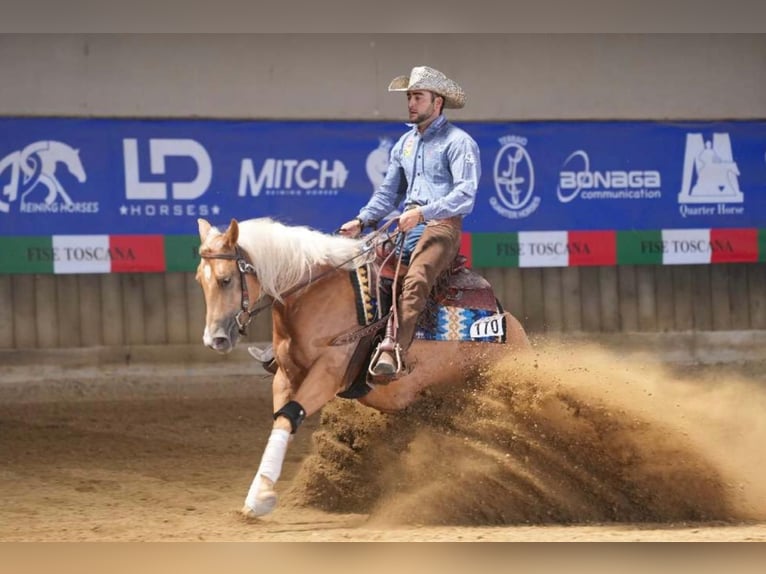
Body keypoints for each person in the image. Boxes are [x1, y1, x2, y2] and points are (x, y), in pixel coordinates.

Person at [339, 65, 481, 377]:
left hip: (442, 226)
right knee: (355, 268)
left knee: (416, 280)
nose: (411, 103)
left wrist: (422, 213)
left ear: (437, 102)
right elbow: (388, 193)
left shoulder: (459, 142)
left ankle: (394, 351)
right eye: (409, 97)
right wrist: (362, 220)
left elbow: (465, 195)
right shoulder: (404, 143)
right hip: (407, 223)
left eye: (418, 96)